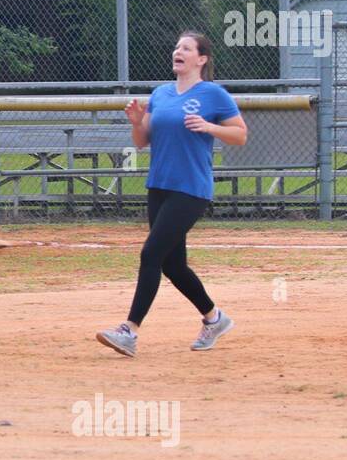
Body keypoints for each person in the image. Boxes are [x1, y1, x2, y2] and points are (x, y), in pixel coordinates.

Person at [96, 31, 249, 357]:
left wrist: (210, 127)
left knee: (151, 254)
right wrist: (137, 123)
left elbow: (240, 135)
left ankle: (129, 331)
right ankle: (214, 318)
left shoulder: (213, 94)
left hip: (191, 188)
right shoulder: (161, 94)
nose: (178, 51)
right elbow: (142, 141)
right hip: (160, 185)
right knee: (173, 266)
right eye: (177, 46)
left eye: (186, 48)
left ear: (201, 59)